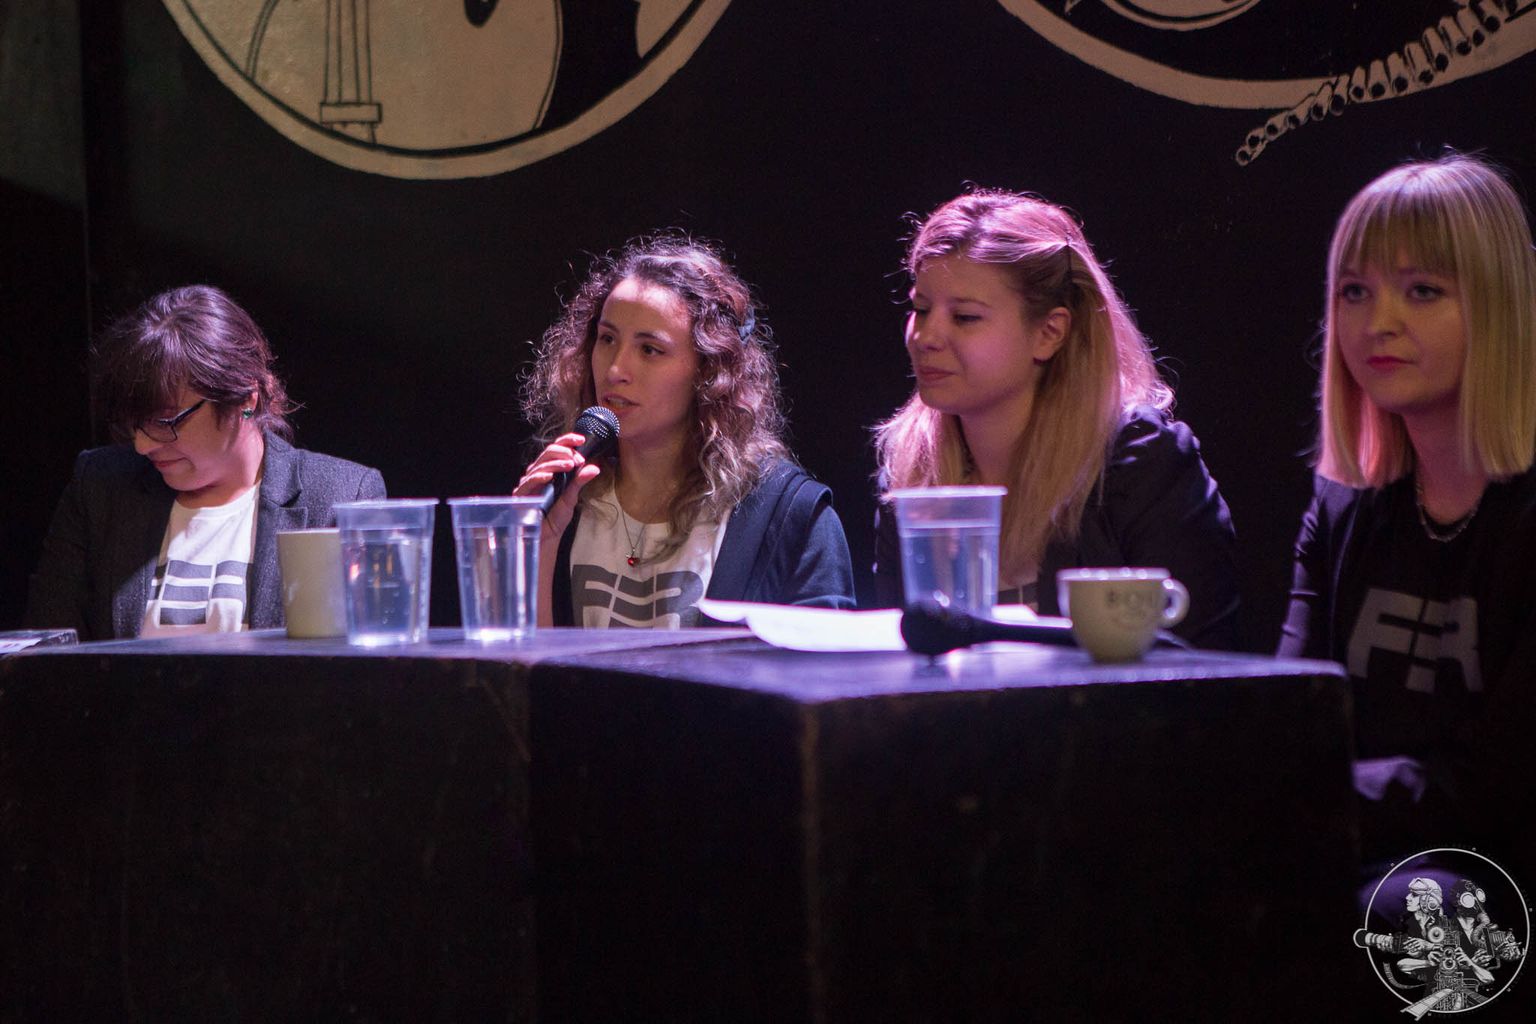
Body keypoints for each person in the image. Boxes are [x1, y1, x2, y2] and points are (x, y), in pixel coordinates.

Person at [1277, 154, 1536, 879]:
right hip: (1358, 851)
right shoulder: (1342, 505)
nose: (1378, 323)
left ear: (1499, 307)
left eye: (1423, 291)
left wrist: (1302, 798)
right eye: (1355, 292)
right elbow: (1294, 716)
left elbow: (1496, 788)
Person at [871, 189, 1238, 647]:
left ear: (1049, 333)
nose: (926, 336)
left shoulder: (1140, 463)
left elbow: (1200, 660)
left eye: (964, 317)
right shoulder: (913, 472)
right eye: (921, 309)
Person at [515, 236, 855, 627]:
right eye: (607, 339)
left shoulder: (791, 516)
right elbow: (516, 664)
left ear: (709, 370)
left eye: (649, 350)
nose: (615, 370)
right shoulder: (562, 498)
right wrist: (536, 546)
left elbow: (828, 660)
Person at [26, 285, 386, 640]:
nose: (142, 445)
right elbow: (46, 655)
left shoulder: (340, 497)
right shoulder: (101, 488)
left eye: (165, 421)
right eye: (134, 423)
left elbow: (364, 664)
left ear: (245, 398)